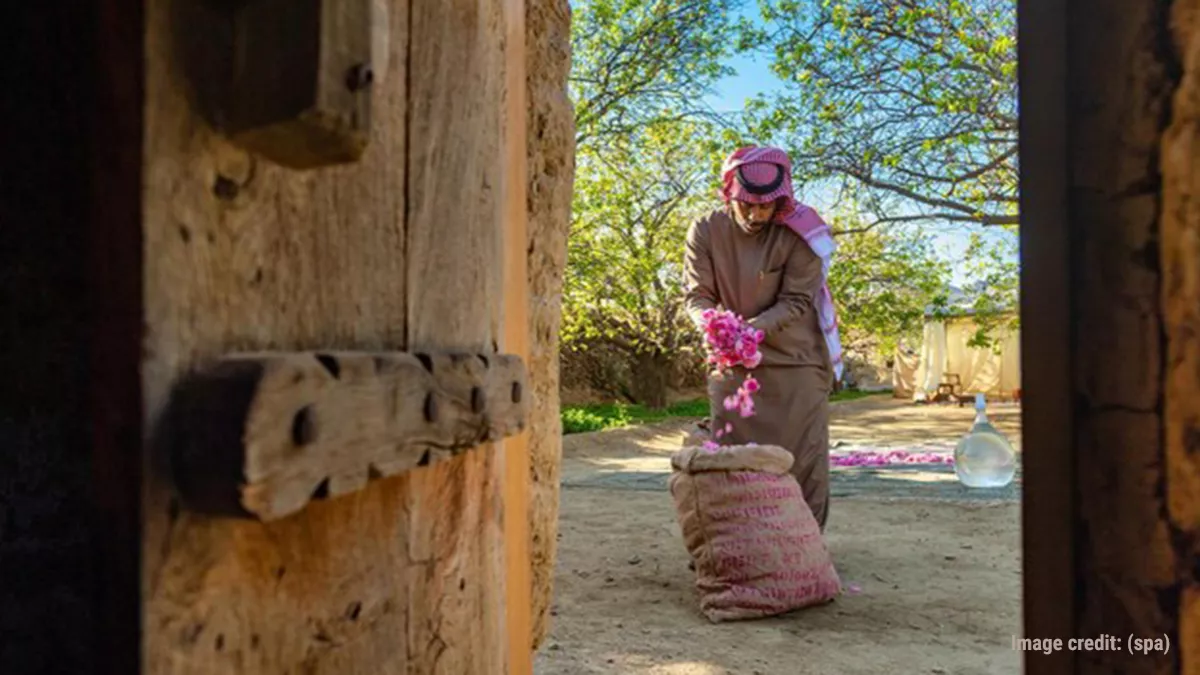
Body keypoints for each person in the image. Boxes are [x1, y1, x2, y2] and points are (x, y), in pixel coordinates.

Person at [683, 146, 843, 531]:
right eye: (746, 205)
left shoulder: (803, 232)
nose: (755, 215)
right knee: (732, 459)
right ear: (729, 193)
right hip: (732, 366)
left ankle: (803, 549)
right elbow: (697, 296)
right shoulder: (705, 230)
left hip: (797, 363)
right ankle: (735, 544)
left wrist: (750, 330)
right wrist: (713, 326)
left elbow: (797, 300)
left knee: (802, 460)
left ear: (782, 200)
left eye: (765, 208)